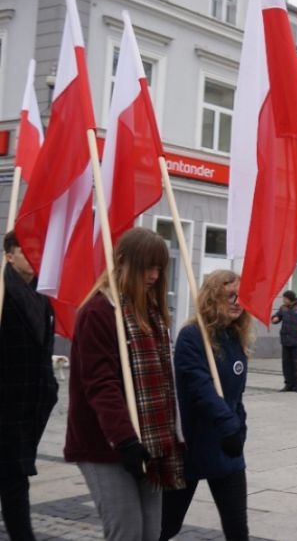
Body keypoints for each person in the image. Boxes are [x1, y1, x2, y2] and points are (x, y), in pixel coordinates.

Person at [64, 228, 184, 541]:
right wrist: (125, 439)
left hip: (150, 440)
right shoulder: (99, 313)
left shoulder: (152, 312)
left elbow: (163, 379)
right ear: (123, 262)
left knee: (150, 532)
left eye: (159, 267)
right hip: (104, 443)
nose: (154, 276)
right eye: (147, 267)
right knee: (127, 532)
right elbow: (101, 384)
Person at [160, 270, 252, 541]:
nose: (237, 302)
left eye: (241, 297)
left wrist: (240, 429)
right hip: (191, 447)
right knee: (167, 525)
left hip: (227, 449)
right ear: (213, 298)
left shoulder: (236, 339)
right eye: (229, 296)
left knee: (237, 529)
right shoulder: (191, 336)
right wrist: (229, 425)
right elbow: (201, 388)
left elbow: (236, 397)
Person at [0, 232, 57, 541]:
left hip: (28, 407)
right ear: (9, 255)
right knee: (14, 480)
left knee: (14, 478)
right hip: (6, 405)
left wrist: (50, 389)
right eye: (27, 250)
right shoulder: (2, 291)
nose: (33, 256)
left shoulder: (40, 294)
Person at [271, 290, 297, 392]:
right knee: (286, 363)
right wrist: (275, 318)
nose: (283, 300)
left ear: (289, 299)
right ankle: (288, 384)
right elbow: (277, 317)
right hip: (285, 340)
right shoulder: (283, 308)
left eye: (284, 298)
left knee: (296, 363)